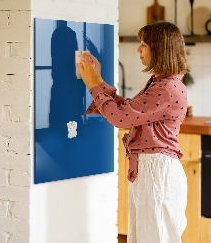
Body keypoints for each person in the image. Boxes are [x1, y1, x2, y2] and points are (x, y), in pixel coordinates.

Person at [76, 21, 189, 243]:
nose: (138, 49)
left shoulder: (166, 88)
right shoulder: (162, 83)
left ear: (160, 48)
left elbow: (120, 118)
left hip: (157, 172)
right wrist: (98, 80)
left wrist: (92, 85)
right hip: (151, 170)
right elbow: (128, 110)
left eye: (144, 44)